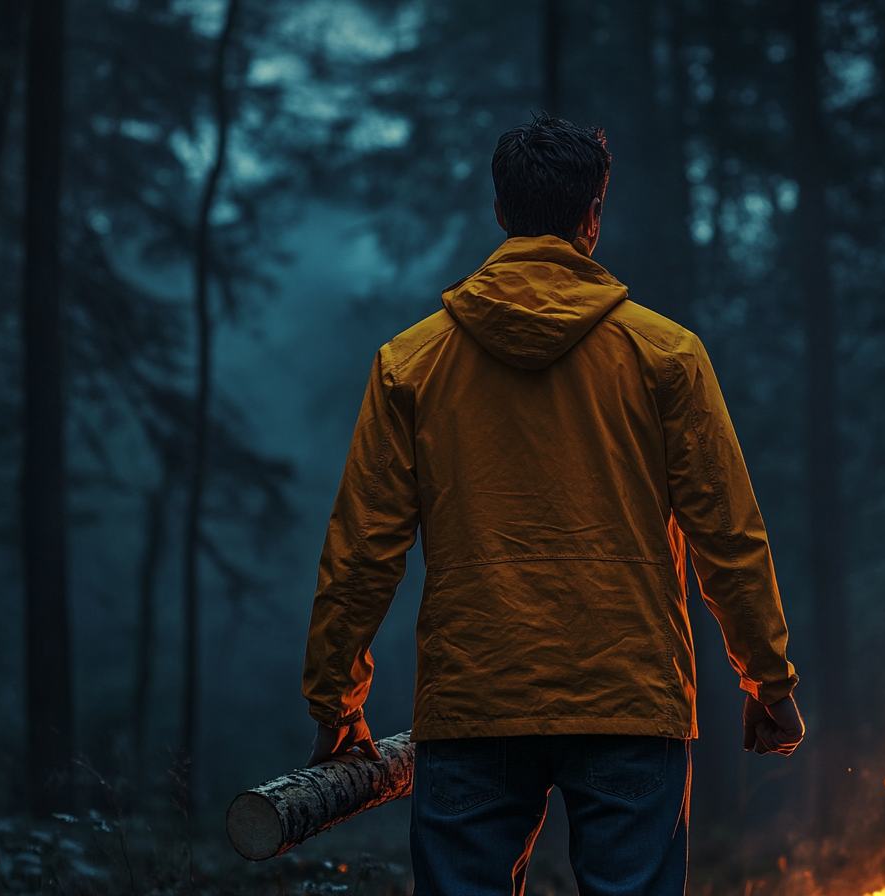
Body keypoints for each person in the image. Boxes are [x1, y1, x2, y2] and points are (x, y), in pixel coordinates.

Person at [302, 113, 804, 896]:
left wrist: (336, 701)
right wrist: (766, 680)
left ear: (501, 214)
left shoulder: (412, 364)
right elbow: (728, 535)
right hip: (631, 699)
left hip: (475, 700)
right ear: (593, 216)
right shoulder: (665, 354)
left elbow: (362, 551)